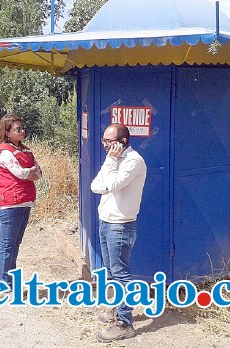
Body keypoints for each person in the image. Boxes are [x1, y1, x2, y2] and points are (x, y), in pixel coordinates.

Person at [90, 123, 147, 343]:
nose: (104, 146)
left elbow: (111, 184)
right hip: (106, 221)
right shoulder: (113, 160)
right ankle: (116, 309)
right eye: (103, 141)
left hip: (120, 226)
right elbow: (96, 185)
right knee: (111, 272)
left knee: (121, 275)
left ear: (122, 142)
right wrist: (110, 165)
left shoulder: (133, 161)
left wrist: (111, 165)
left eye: (109, 142)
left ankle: (125, 323)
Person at [0, 114, 42, 291]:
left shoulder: (26, 150)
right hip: (9, 204)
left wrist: (30, 172)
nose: (22, 131)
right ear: (7, 132)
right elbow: (21, 173)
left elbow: (39, 174)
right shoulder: (4, 151)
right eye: (17, 129)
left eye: (22, 127)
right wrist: (30, 171)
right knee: (7, 246)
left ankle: (10, 282)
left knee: (15, 245)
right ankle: (3, 284)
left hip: (24, 201)